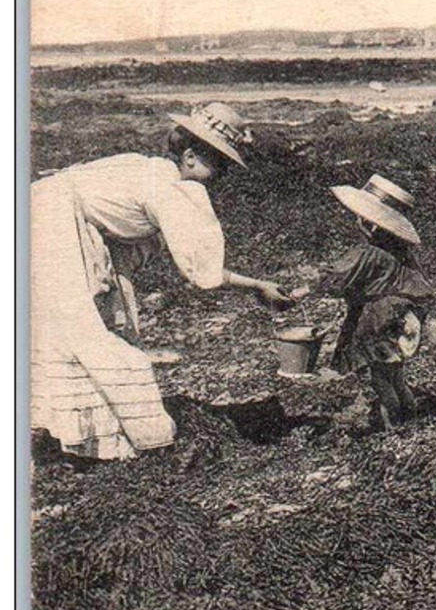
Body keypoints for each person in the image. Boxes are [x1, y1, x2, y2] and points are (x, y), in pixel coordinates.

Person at [31, 102, 295, 460]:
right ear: (189, 156)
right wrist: (257, 286)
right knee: (92, 337)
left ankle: (88, 435)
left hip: (45, 217)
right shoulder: (172, 189)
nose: (223, 174)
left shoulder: (148, 168)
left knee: (90, 330)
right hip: (52, 229)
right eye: (218, 162)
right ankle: (147, 440)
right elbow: (201, 270)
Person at [320, 174, 435, 429]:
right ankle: (412, 422)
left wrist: (303, 291)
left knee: (381, 381)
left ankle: (393, 431)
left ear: (370, 224)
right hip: (401, 316)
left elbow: (337, 278)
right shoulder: (401, 253)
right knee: (397, 376)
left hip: (377, 320)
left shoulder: (366, 252)